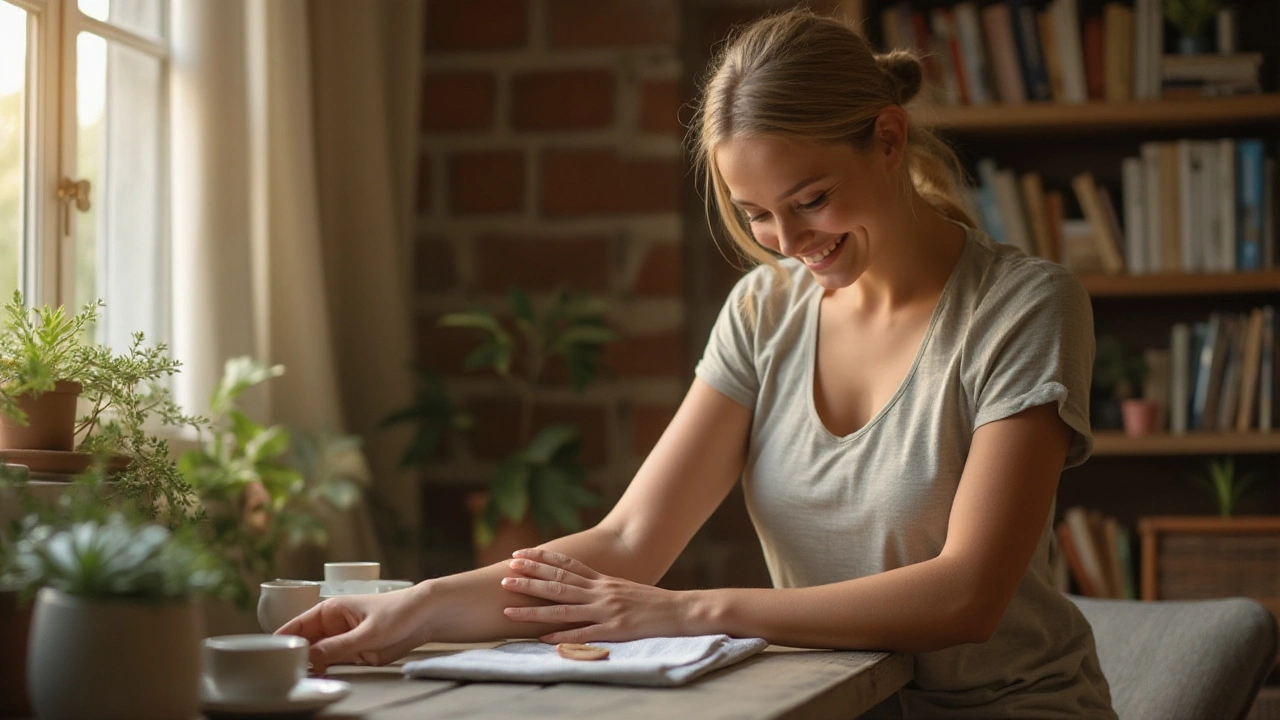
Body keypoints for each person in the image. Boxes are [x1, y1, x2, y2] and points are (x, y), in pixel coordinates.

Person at [280, 8, 1117, 718]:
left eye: (811, 200)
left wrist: (684, 612)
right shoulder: (765, 311)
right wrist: (414, 609)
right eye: (756, 214)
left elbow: (967, 596)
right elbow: (629, 538)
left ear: (889, 139)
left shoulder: (1023, 306)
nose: (789, 244)